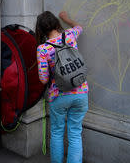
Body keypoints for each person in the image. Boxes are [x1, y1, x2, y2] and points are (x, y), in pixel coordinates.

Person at [36, 11, 88, 163]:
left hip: (58, 96)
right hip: (81, 92)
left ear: (41, 29)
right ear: (56, 23)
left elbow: (43, 79)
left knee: (57, 133)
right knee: (75, 133)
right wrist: (67, 19)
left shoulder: (42, 49)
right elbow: (80, 27)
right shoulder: (70, 35)